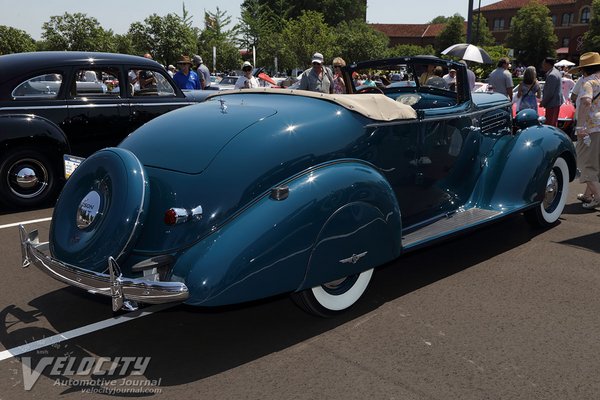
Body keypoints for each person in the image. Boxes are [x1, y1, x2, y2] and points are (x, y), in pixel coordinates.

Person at [568, 52, 600, 208]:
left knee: (585, 164)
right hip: (598, 127)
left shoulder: (587, 83)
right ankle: (588, 195)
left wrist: (580, 126)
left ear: (583, 70)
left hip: (590, 128)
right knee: (594, 163)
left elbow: (586, 102)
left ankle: (598, 197)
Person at [540, 57, 563, 127]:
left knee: (550, 125)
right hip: (555, 103)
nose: (542, 66)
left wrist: (543, 102)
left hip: (552, 104)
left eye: (543, 64)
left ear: (547, 64)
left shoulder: (552, 75)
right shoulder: (556, 72)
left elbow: (550, 93)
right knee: (553, 123)